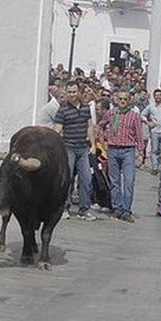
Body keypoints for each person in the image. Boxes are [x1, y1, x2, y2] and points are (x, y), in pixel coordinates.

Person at [97, 88, 146, 222]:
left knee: (129, 182)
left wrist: (141, 152)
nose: (123, 101)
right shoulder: (111, 113)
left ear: (129, 100)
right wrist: (103, 140)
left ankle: (127, 210)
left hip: (128, 150)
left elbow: (139, 134)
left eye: (125, 99)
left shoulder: (134, 115)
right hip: (113, 150)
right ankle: (117, 208)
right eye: (120, 99)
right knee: (115, 182)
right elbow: (100, 126)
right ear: (116, 100)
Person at [53, 81, 98, 221]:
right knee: (67, 178)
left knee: (86, 178)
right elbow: (57, 129)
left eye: (74, 91)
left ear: (78, 92)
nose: (72, 95)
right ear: (66, 93)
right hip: (68, 147)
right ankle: (64, 208)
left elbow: (89, 126)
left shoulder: (85, 108)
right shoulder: (62, 110)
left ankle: (83, 210)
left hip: (83, 148)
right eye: (70, 92)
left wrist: (93, 144)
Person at [142, 88, 161, 174]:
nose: (158, 97)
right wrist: (148, 122)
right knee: (154, 149)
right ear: (154, 96)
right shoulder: (150, 107)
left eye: (159, 95)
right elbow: (142, 115)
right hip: (154, 131)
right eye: (156, 95)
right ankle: (155, 167)